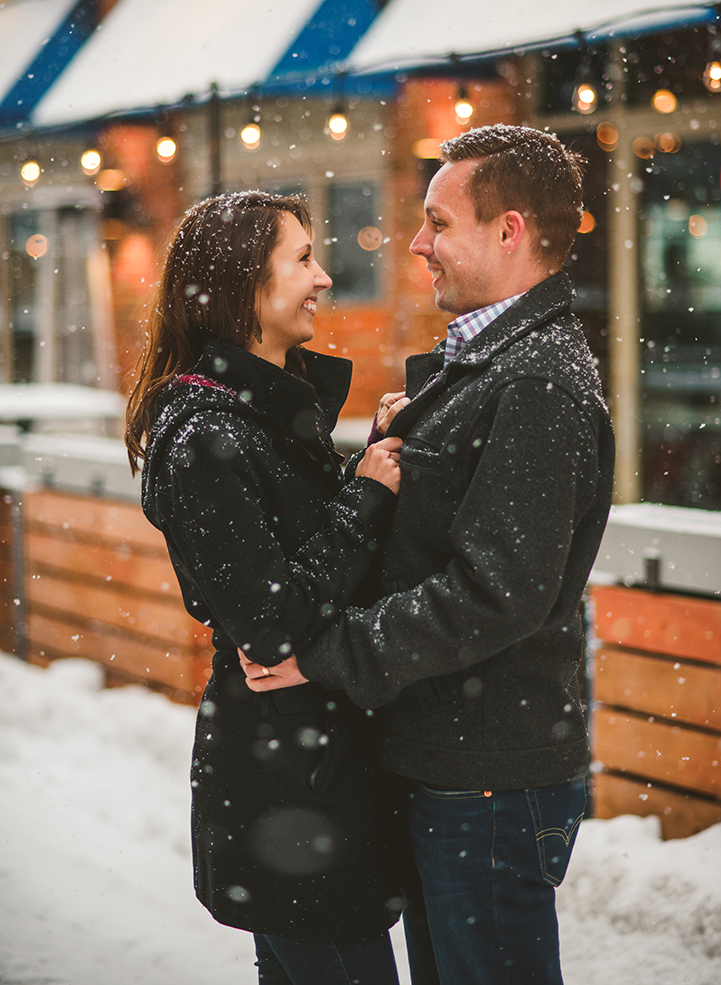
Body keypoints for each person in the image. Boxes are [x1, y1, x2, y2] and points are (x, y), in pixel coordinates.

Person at [241, 126, 616, 984]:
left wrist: (327, 655)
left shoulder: (534, 379)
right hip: (448, 762)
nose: (415, 245)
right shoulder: (488, 362)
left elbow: (495, 593)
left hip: (487, 777)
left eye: (439, 224)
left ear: (509, 231)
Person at [125, 191, 408, 985]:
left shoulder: (252, 419)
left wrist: (370, 460)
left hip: (307, 772)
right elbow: (273, 617)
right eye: (302, 259)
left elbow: (300, 553)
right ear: (245, 283)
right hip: (289, 784)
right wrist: (366, 496)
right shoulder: (206, 437)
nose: (323, 277)